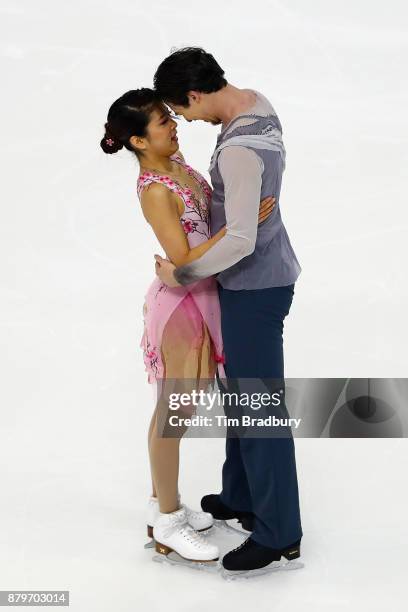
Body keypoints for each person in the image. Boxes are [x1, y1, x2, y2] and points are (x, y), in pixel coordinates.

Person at [100, 88, 275, 563]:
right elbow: (181, 259)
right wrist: (238, 230)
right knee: (175, 412)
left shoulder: (178, 166)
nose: (174, 125)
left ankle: (164, 504)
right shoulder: (156, 188)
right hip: (182, 306)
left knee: (183, 407)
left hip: (205, 298)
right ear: (138, 141)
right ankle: (168, 520)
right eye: (162, 122)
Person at [153, 47, 303, 574]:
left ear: (194, 94)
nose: (187, 121)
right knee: (241, 394)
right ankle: (240, 496)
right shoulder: (257, 103)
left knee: (259, 409)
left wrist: (181, 273)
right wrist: (248, 204)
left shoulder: (237, 149)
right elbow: (250, 209)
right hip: (263, 276)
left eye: (184, 110)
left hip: (254, 287)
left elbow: (239, 242)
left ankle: (279, 531)